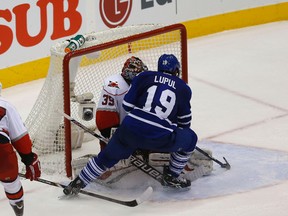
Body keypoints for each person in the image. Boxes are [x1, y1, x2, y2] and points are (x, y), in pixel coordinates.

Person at [64, 54, 199, 194]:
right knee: (191, 138)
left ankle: (77, 184)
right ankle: (171, 176)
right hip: (159, 137)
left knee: (105, 158)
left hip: (129, 131)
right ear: (176, 70)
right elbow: (185, 123)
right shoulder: (183, 88)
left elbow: (127, 105)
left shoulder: (144, 77)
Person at [0, 83, 41, 216]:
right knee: (11, 183)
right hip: (1, 152)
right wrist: (28, 158)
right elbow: (20, 137)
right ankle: (18, 211)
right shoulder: (5, 106)